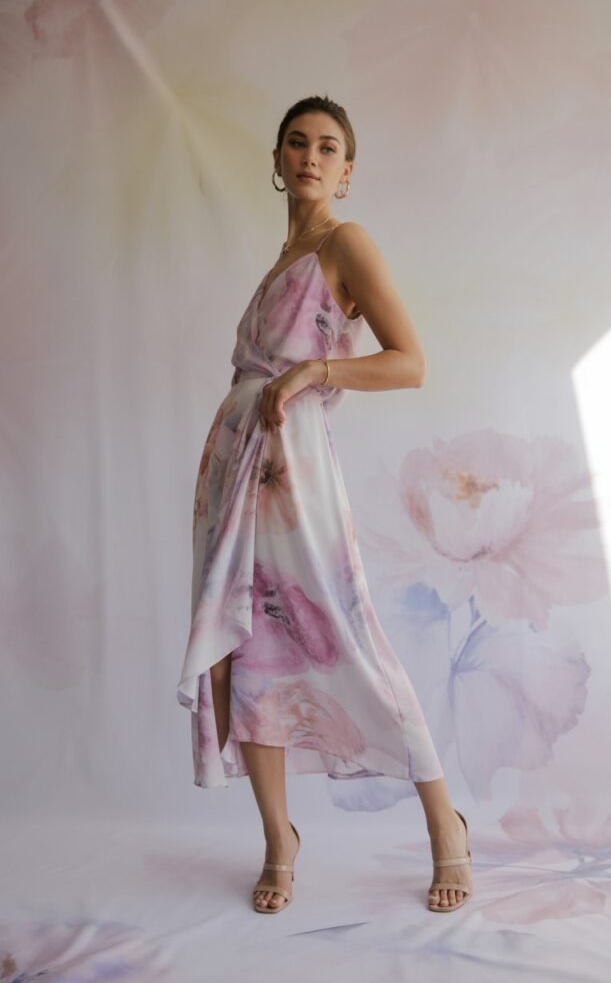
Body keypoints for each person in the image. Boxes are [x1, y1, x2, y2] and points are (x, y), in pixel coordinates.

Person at [177, 95, 473, 915]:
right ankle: (280, 841)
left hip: (295, 470)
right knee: (245, 654)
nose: (310, 156)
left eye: (328, 146)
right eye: (297, 143)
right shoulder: (281, 260)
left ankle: (445, 823)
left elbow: (410, 361)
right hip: (235, 472)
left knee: (346, 633)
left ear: (348, 169)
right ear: (276, 160)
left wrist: (315, 372)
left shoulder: (346, 244)